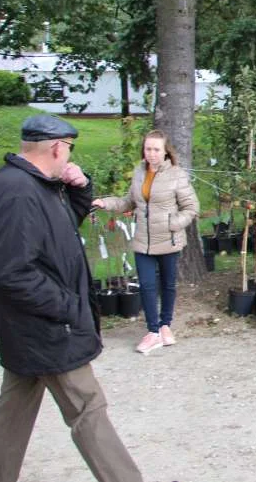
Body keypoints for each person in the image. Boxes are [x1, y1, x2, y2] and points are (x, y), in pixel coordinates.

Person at [0, 115, 143, 482]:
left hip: (32, 329)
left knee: (12, 414)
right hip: (47, 327)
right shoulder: (17, 191)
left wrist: (78, 190)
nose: (69, 157)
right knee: (88, 407)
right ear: (58, 147)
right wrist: (65, 305)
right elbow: (11, 270)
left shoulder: (36, 184)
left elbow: (58, 232)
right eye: (69, 149)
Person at [92, 129, 199, 355]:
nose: (151, 154)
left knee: (168, 285)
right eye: (148, 149)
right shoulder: (139, 172)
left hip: (168, 240)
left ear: (165, 151)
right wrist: (105, 202)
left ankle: (165, 326)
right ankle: (153, 332)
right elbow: (129, 202)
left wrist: (173, 223)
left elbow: (191, 208)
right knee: (148, 286)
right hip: (143, 241)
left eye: (156, 149)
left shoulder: (177, 174)